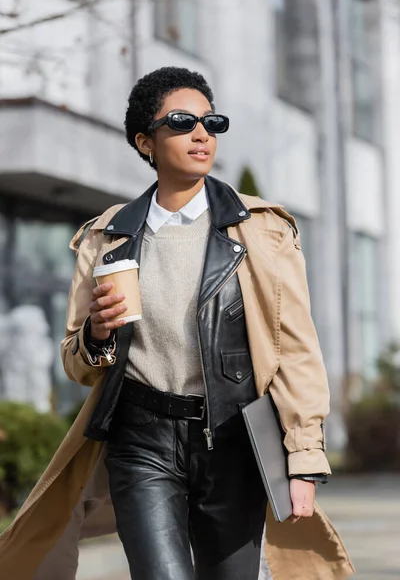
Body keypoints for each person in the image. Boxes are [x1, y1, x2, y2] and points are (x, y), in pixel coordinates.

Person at [0, 67, 354, 580]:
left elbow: (294, 350)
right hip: (140, 440)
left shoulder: (263, 232)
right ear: (146, 141)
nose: (201, 134)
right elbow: (76, 363)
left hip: (235, 440)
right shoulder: (107, 237)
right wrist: (97, 333)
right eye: (183, 121)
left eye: (211, 122)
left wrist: (302, 459)